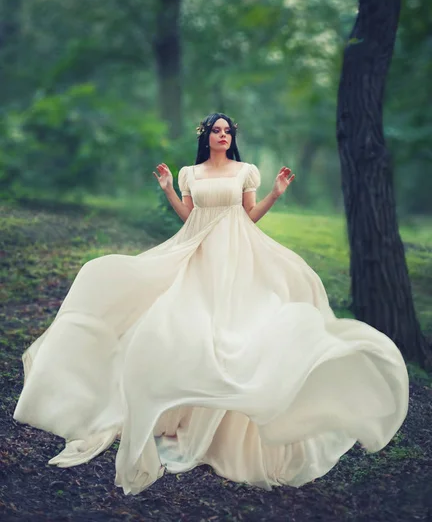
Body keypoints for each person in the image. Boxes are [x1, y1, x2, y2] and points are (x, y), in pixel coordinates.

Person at [13, 112, 409, 496]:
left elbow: (248, 216)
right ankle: (173, 409)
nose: (223, 136)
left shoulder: (245, 171)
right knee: (179, 320)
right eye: (217, 131)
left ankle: (225, 428)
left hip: (237, 252)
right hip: (197, 249)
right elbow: (190, 216)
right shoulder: (191, 173)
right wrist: (169, 187)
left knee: (233, 331)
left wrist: (275, 193)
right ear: (206, 136)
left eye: (228, 131)